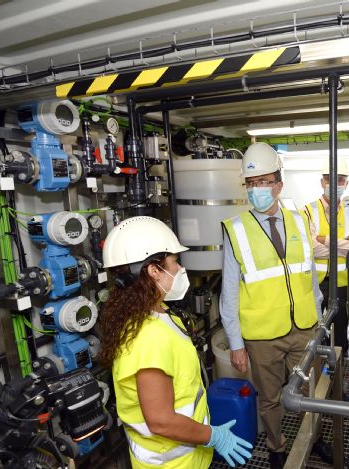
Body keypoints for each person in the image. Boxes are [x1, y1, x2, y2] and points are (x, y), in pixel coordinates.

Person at [99, 216, 252, 468]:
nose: (180, 269)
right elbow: (161, 420)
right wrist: (213, 436)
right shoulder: (148, 338)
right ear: (153, 271)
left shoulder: (156, 316)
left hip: (189, 455)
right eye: (174, 262)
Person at [220, 142, 327, 468]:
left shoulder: (298, 222)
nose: (257, 190)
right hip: (262, 335)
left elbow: (309, 277)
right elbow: (229, 293)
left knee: (312, 393)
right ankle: (277, 447)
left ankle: (317, 437)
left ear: (278, 185)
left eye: (263, 182)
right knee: (269, 399)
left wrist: (320, 321)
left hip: (303, 327)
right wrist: (236, 343)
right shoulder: (235, 230)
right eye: (251, 184)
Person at [304, 161, 349, 359]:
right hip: (314, 284)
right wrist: (342, 245)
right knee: (313, 333)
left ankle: (339, 378)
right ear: (322, 182)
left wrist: (325, 239)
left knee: (339, 335)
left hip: (342, 284)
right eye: (330, 179)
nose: (335, 184)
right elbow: (309, 247)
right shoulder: (307, 211)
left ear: (346, 184)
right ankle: (316, 375)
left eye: (340, 180)